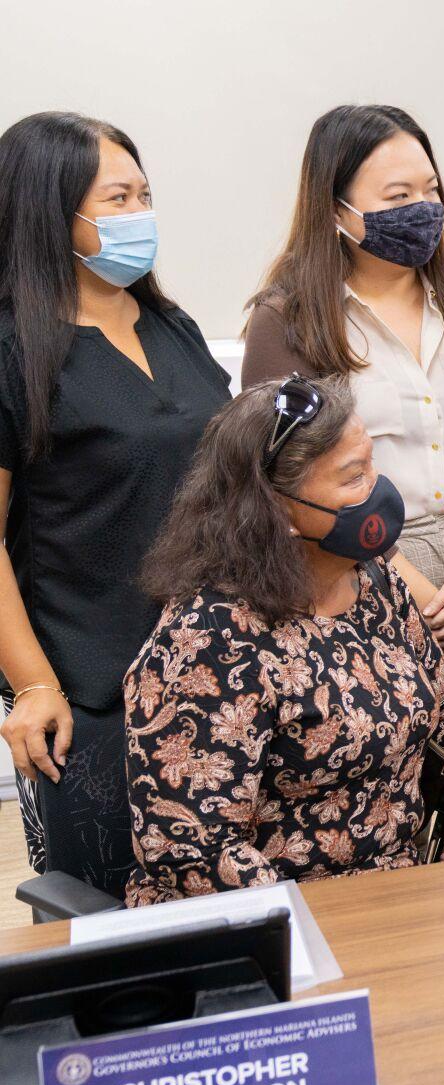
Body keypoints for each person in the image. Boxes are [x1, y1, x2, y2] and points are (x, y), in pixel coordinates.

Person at [123, 376, 444, 906]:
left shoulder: (374, 579)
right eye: (354, 478)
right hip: (272, 917)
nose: (379, 490)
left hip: (397, 891)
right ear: (278, 510)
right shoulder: (208, 642)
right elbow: (195, 852)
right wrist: (327, 931)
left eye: (371, 464)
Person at [0, 111, 231, 897]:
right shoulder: (13, 352)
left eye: (145, 195)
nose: (140, 216)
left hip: (219, 668)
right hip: (94, 692)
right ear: (48, 213)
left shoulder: (170, 325)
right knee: (117, 928)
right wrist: (33, 685)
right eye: (117, 200)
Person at [243, 104, 444, 699]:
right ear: (336, 211)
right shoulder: (286, 321)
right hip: (357, 575)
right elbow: (282, 483)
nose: (423, 208)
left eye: (430, 190)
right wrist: (419, 597)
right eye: (398, 194)